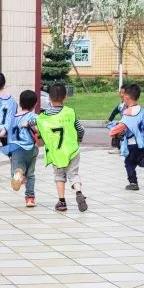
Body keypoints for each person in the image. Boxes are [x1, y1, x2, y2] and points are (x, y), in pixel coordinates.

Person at [37, 83, 87, 212]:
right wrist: (79, 139)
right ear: (65, 97)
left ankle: (62, 202)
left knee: (59, 175)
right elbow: (80, 129)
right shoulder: (70, 112)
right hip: (72, 150)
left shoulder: (44, 117)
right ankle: (78, 192)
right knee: (74, 174)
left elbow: (40, 131)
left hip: (57, 153)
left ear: (49, 98)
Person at [109, 83, 144, 191]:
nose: (123, 99)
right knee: (142, 160)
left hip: (132, 144)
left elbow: (121, 126)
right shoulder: (143, 111)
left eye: (123, 97)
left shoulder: (128, 113)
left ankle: (133, 183)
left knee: (129, 163)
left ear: (127, 98)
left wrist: (112, 132)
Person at [2, 89, 41, 208]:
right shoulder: (34, 117)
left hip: (15, 148)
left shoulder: (11, 117)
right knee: (31, 174)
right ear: (35, 104)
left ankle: (19, 175)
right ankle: (30, 199)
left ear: (20, 103)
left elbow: (2, 133)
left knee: (16, 170)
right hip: (30, 148)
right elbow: (39, 131)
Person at [107, 87, 126, 153]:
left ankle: (118, 148)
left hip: (127, 123)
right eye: (120, 92)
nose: (121, 94)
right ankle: (118, 147)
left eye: (123, 93)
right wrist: (109, 120)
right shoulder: (121, 104)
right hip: (123, 123)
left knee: (116, 129)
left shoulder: (128, 104)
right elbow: (115, 112)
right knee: (114, 127)